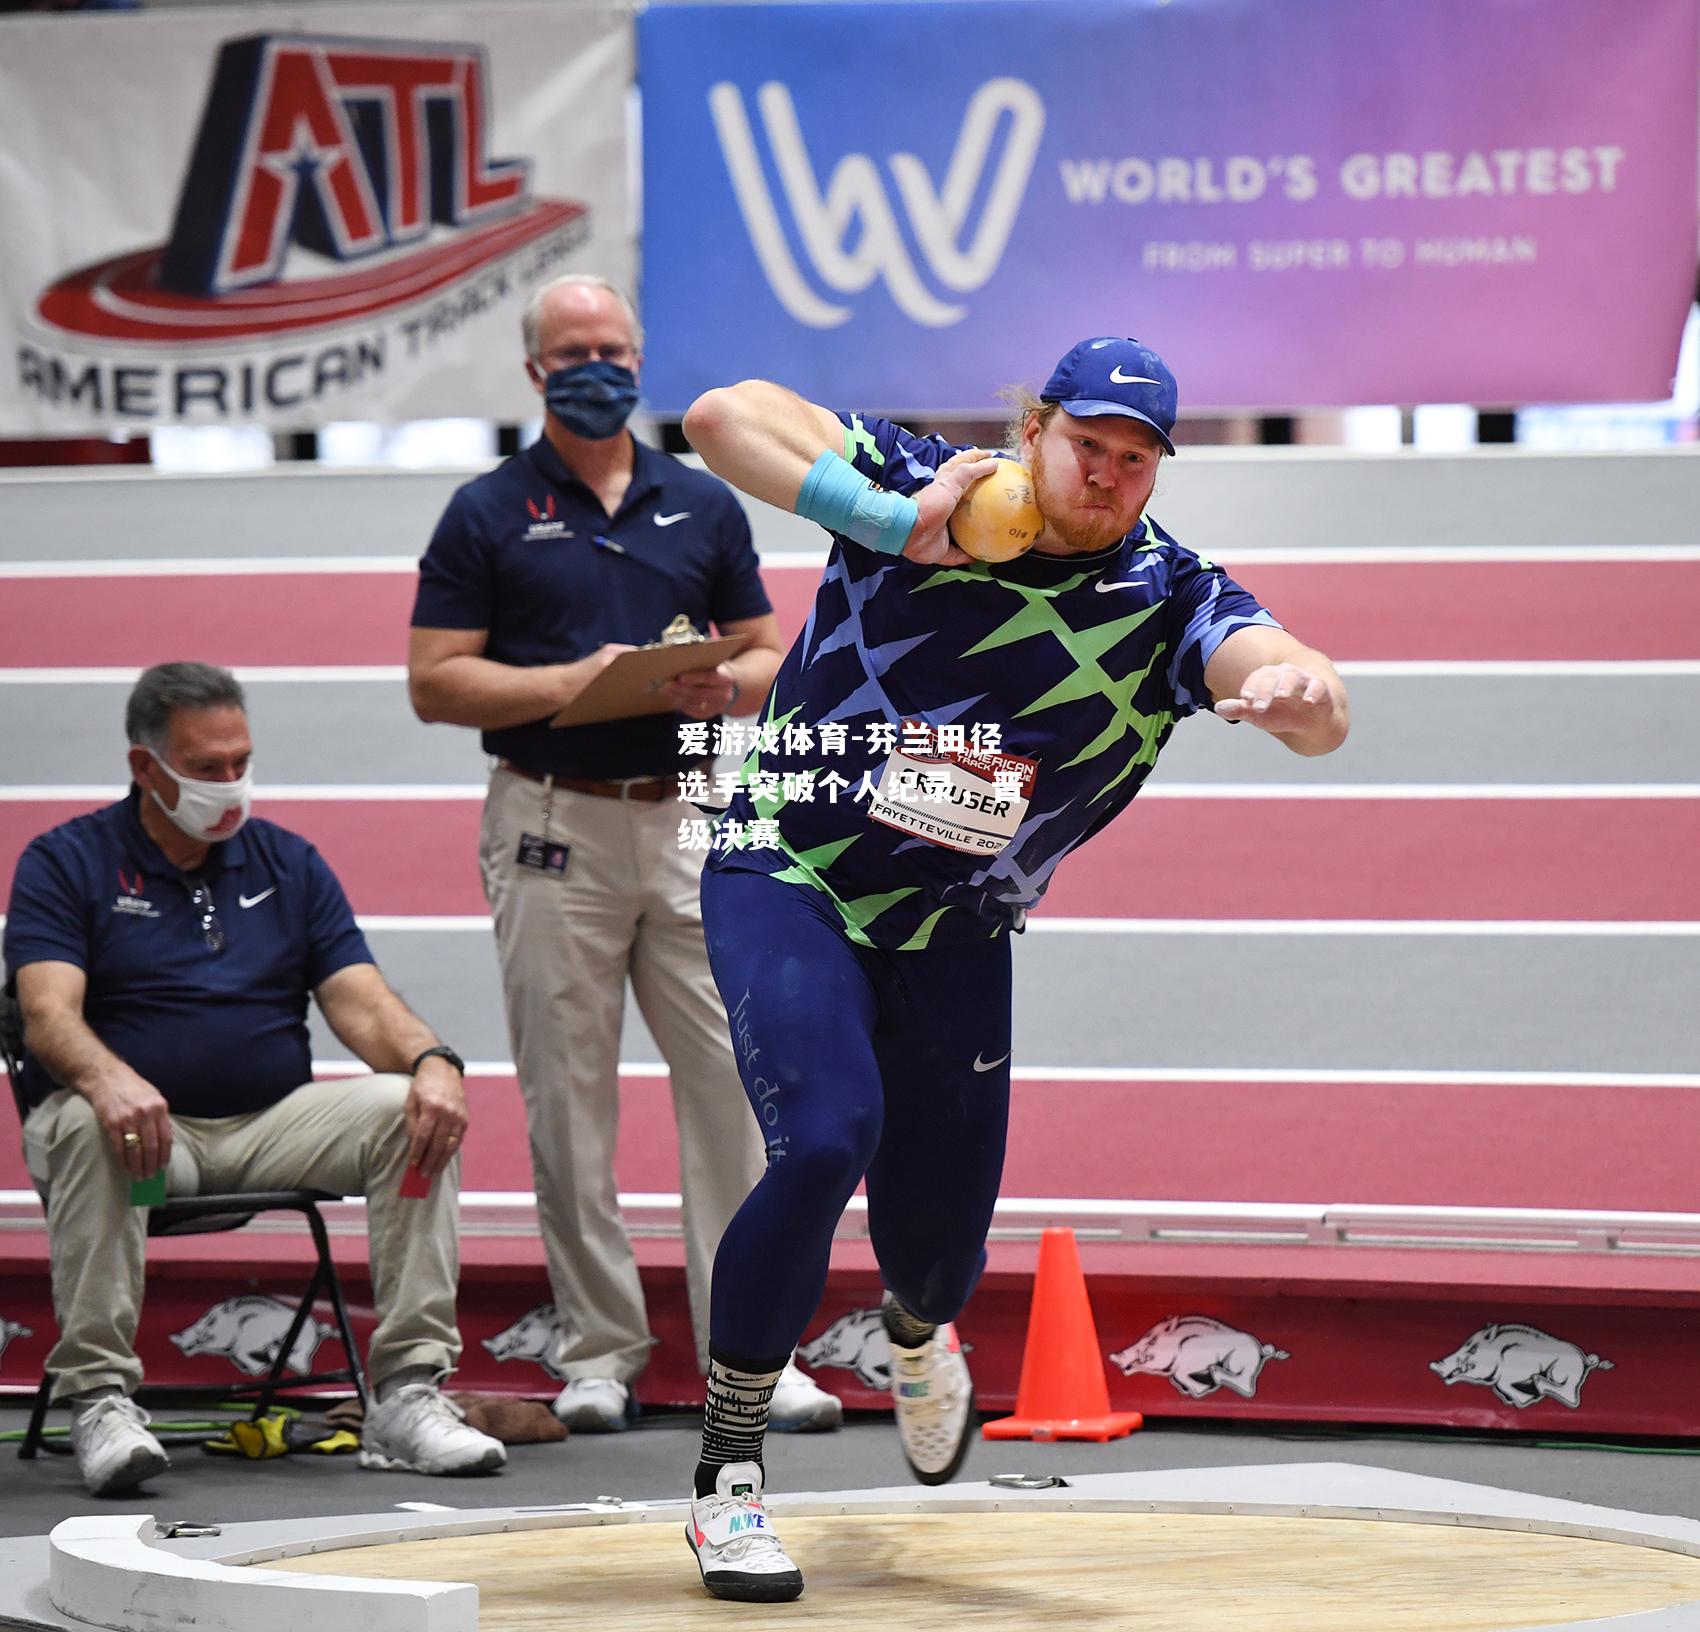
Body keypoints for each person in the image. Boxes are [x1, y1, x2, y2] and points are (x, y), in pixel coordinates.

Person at [675, 336, 1351, 1600]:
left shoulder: (1166, 593)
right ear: (1033, 429)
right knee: (825, 1139)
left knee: (937, 1254)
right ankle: (728, 1476)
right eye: (1085, 443)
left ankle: (917, 1339)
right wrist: (889, 521)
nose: (1103, 475)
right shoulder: (925, 483)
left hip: (955, 928)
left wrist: (1291, 692)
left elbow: (1307, 701)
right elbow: (721, 413)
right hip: (787, 866)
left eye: (1133, 460)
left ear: (1156, 474)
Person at [406, 273, 841, 1433]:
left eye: (614, 346)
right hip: (552, 819)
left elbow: (768, 656)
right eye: (574, 349)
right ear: (536, 369)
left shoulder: (699, 505)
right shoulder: (486, 510)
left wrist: (721, 682)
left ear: (640, 359)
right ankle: (597, 1346)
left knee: (735, 1090)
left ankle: (753, 1353)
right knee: (567, 1096)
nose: (598, 364)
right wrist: (579, 684)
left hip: (693, 806)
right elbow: (434, 680)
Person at [3, 662, 506, 1497]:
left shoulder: (285, 861)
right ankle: (99, 1399)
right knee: (100, 1122)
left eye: (241, 761)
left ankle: (407, 1396)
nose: (231, 784)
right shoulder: (67, 862)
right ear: (145, 768)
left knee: (408, 1111)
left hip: (270, 1125)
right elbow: (48, 1016)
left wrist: (432, 1061)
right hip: (144, 1141)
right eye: (207, 768)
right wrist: (109, 1079)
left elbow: (364, 1004)